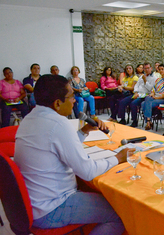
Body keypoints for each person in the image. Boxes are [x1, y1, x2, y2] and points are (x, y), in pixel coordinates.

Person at [14, 74, 132, 234]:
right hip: (52, 207)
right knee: (121, 213)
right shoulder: (58, 123)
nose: (75, 100)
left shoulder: (30, 118)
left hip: (34, 203)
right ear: (57, 103)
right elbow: (88, 171)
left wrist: (83, 132)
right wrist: (117, 158)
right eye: (71, 96)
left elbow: (55, 147)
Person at [117, 62, 155, 127]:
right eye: (145, 68)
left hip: (145, 95)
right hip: (137, 93)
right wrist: (136, 92)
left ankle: (134, 121)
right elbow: (136, 86)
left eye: (148, 68)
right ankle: (122, 119)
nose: (146, 70)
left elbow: (150, 88)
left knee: (133, 104)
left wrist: (145, 81)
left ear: (151, 68)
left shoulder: (153, 78)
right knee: (122, 102)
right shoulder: (141, 77)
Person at [142, 64, 164, 130]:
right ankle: (149, 121)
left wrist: (158, 97)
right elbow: (153, 90)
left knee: (144, 104)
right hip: (155, 97)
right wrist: (152, 94)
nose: (161, 71)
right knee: (147, 99)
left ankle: (148, 122)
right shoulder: (158, 80)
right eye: (159, 69)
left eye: (162, 69)